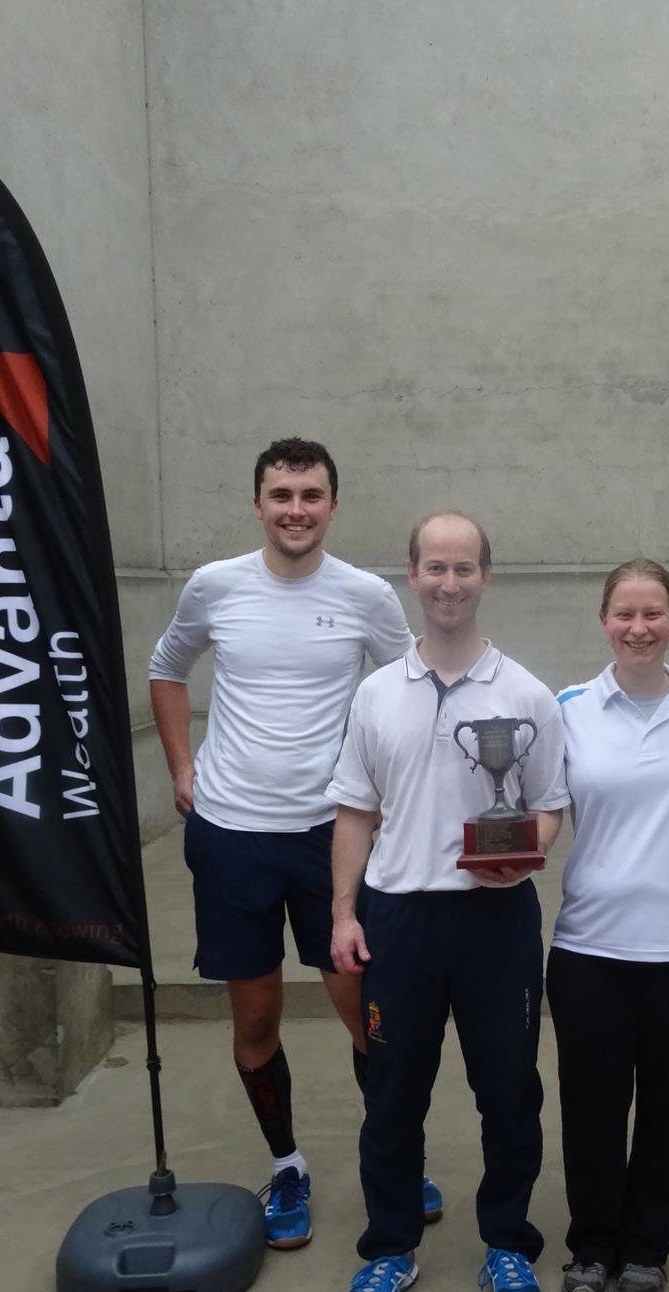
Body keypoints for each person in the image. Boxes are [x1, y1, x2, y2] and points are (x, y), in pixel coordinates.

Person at [147, 437, 442, 1250]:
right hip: (232, 837)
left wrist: (397, 799)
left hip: (332, 839)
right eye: (281, 495)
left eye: (311, 495)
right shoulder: (215, 586)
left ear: (333, 505)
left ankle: (394, 1159)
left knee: (364, 1015)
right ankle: (286, 1167)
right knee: (255, 1018)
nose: (296, 510)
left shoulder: (366, 596)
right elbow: (166, 669)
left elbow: (409, 691)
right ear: (258, 504)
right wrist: (182, 765)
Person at [326, 511, 570, 1292]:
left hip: (497, 922)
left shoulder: (526, 692)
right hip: (398, 921)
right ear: (412, 576)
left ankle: (507, 1241)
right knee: (393, 1094)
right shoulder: (374, 693)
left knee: (509, 1094)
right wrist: (342, 914)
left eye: (464, 568)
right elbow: (356, 813)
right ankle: (390, 1249)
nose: (449, 582)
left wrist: (522, 853)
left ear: (485, 578)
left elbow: (548, 809)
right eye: (435, 567)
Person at [549, 559, 669, 1292]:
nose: (639, 627)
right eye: (625, 614)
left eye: (653, 613)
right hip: (590, 947)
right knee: (591, 1107)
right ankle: (592, 1246)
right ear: (603, 620)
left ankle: (647, 1248)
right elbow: (536, 810)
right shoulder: (568, 709)